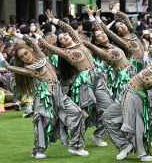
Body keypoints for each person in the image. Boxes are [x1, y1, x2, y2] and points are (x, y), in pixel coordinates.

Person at [0, 34, 88, 159]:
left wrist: (24, 36)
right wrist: (0, 54)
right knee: (42, 123)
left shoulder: (41, 56)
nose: (25, 58)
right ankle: (38, 150)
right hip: (44, 98)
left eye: (26, 54)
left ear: (31, 51)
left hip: (59, 95)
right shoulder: (29, 69)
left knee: (78, 113)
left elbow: (34, 43)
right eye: (22, 57)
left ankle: (76, 146)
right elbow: (9, 67)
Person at [37, 9, 113, 147]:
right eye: (61, 39)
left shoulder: (79, 41)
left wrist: (54, 20)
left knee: (108, 108)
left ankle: (98, 135)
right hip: (84, 81)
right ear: (61, 45)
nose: (64, 37)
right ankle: (77, 141)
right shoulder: (65, 52)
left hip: (98, 78)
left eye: (65, 35)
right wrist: (38, 37)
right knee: (83, 112)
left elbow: (67, 28)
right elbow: (49, 47)